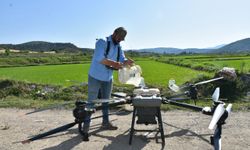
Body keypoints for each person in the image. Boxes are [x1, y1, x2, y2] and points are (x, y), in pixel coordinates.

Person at [82, 27, 134, 141]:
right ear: (114, 33)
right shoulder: (102, 42)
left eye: (122, 39)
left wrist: (127, 62)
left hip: (108, 77)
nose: (120, 40)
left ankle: (105, 123)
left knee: (106, 101)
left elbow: (122, 59)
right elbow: (100, 58)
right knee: (91, 102)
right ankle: (86, 127)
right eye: (119, 37)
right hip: (95, 76)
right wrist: (116, 64)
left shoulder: (119, 47)